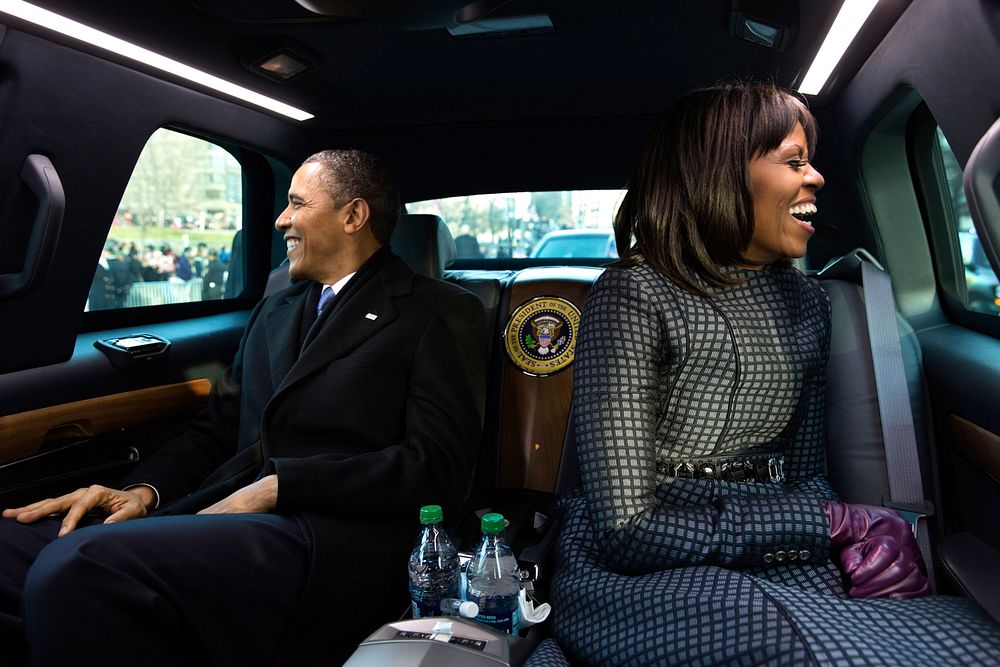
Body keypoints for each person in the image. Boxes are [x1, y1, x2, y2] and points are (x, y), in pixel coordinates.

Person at [529, 83, 1000, 666]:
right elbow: (628, 530)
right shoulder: (632, 293)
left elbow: (804, 476)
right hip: (639, 570)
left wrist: (863, 538)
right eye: (793, 160)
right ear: (720, 175)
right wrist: (829, 521)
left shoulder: (808, 303)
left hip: (782, 553)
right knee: (788, 646)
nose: (818, 178)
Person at [0, 149, 489, 665]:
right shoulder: (276, 309)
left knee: (78, 566)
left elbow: (438, 468)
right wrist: (142, 492)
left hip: (331, 537)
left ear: (353, 215)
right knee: (10, 553)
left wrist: (281, 486)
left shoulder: (438, 311)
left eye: (297, 203)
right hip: (227, 515)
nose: (281, 220)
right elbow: (214, 431)